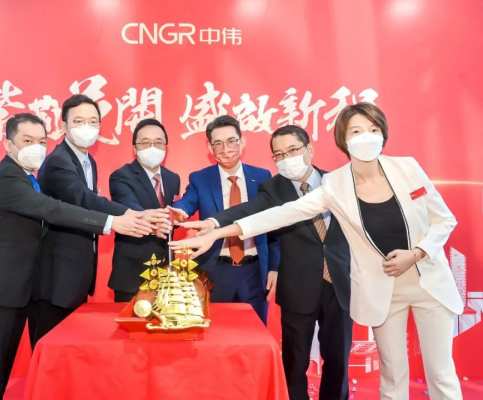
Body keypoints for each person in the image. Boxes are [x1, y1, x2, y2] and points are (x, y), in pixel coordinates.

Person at [172, 103, 464, 400]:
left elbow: (444, 219)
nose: (366, 137)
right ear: (343, 140)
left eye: (373, 129)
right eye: (356, 131)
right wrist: (216, 230)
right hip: (377, 287)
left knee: (440, 374)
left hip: (423, 281)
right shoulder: (335, 184)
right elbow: (278, 215)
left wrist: (417, 252)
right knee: (391, 375)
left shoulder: (406, 168)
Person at [0, 113, 153, 400]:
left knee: (0, 373)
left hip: (15, 293)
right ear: (8, 144)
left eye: (41, 141)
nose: (36, 148)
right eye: (27, 141)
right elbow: (53, 209)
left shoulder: (27, 179)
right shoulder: (8, 178)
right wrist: (111, 222)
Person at [185, 125, 352, 399]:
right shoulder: (273, 188)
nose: (286, 158)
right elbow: (248, 211)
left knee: (338, 360)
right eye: (279, 154)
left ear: (309, 149)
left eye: (293, 150)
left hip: (340, 285)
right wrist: (214, 223)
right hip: (298, 286)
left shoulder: (340, 182)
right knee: (295, 362)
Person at [29, 95, 169, 348]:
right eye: (79, 121)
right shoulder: (58, 162)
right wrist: (131, 214)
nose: (87, 127)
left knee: (71, 352)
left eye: (93, 121)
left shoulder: (87, 161)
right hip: (56, 275)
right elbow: (83, 199)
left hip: (75, 272)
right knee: (50, 349)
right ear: (63, 125)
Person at [171, 115, 279, 325]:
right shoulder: (200, 178)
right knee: (215, 332)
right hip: (216, 271)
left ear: (242, 141)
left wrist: (274, 267)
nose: (225, 149)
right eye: (218, 143)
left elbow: (273, 224)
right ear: (210, 148)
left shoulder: (262, 176)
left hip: (255, 270)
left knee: (256, 333)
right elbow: (187, 201)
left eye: (231, 141)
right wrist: (180, 210)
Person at [108, 118, 181, 302]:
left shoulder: (173, 178)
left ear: (166, 147)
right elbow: (129, 206)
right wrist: (155, 224)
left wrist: (177, 219)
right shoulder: (121, 176)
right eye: (145, 143)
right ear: (135, 148)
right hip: (133, 273)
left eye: (158, 142)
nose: (152, 148)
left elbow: (171, 217)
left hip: (166, 272)